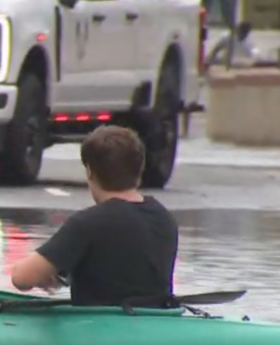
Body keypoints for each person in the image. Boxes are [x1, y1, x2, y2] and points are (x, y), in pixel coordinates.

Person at [9, 126, 179, 307]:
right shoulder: (164, 218)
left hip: (99, 326)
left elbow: (21, 278)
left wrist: (44, 276)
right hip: (156, 321)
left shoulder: (87, 223)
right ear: (139, 171)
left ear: (90, 171)